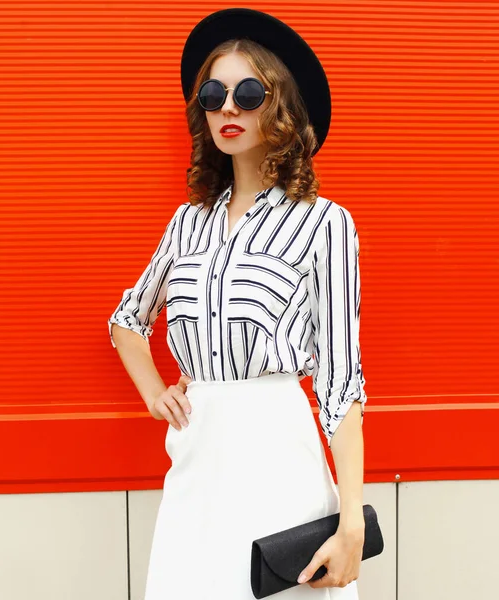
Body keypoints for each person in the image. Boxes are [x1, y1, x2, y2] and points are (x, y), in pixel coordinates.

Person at [108, 8, 367, 600]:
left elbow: (341, 383)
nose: (229, 107)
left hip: (281, 462)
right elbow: (127, 320)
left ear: (280, 107)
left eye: (249, 93)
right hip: (196, 464)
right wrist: (155, 392)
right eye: (213, 93)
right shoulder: (187, 224)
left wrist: (350, 518)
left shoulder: (324, 225)